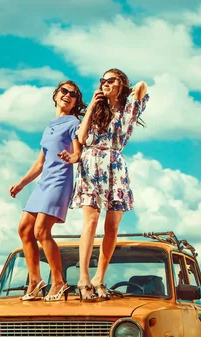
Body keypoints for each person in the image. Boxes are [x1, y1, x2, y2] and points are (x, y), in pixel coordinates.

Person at [67, 68, 149, 302]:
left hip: (115, 165)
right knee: (91, 221)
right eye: (102, 80)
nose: (104, 83)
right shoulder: (96, 111)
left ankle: (99, 277)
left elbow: (143, 84)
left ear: (120, 84)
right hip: (91, 162)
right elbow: (81, 139)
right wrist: (92, 106)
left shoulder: (129, 108)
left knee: (112, 226)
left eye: (109, 80)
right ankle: (83, 277)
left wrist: (124, 92)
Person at [9, 80, 86, 301]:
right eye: (64, 91)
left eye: (73, 95)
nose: (68, 96)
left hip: (60, 182)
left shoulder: (74, 123)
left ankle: (59, 281)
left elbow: (78, 153)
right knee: (25, 229)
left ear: (74, 102)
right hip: (43, 183)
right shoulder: (49, 126)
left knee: (41, 231)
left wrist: (73, 157)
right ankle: (35, 282)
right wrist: (22, 183)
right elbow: (40, 162)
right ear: (55, 95)